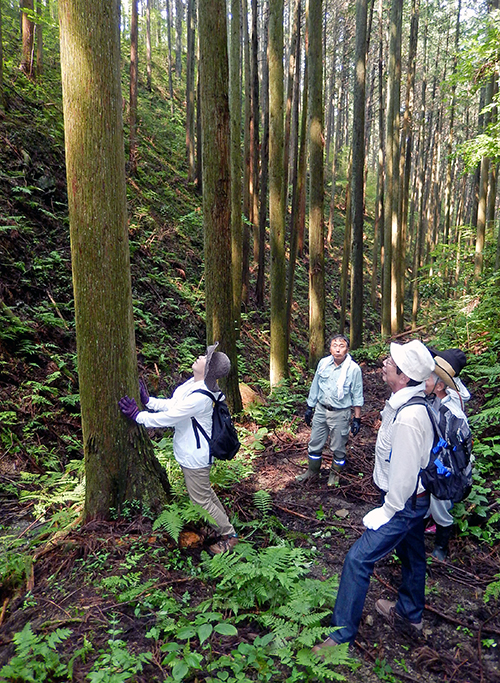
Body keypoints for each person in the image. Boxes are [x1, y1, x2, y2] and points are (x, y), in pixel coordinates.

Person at [312, 340, 435, 651]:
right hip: (412, 502)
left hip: (404, 504)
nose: (384, 364)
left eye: (391, 363)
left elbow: (405, 475)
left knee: (357, 559)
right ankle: (410, 614)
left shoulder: (409, 417)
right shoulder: (403, 403)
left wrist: (388, 510)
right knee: (412, 556)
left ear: (404, 376)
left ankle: (340, 637)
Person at [118, 342, 238, 556]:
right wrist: (149, 402)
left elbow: (171, 417)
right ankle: (222, 528)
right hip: (193, 454)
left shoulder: (201, 397)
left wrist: (138, 416)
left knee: (200, 500)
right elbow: (174, 405)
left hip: (196, 458)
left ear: (208, 369)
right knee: (206, 496)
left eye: (205, 358)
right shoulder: (194, 384)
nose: (200, 357)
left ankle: (228, 536)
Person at [298, 335, 364, 486]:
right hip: (321, 410)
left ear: (347, 349)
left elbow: (357, 394)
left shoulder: (353, 369)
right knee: (315, 443)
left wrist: (357, 418)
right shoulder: (323, 363)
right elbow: (315, 386)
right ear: (330, 348)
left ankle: (334, 476)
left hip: (340, 413)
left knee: (339, 447)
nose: (338, 349)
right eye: (335, 345)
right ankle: (312, 472)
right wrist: (310, 407)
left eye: (342, 346)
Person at [425, 348, 470, 561]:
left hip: (446, 466)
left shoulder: (452, 412)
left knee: (440, 504)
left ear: (440, 385)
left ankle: (441, 545)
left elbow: (460, 448)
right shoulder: (433, 399)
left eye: (428, 378)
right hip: (431, 461)